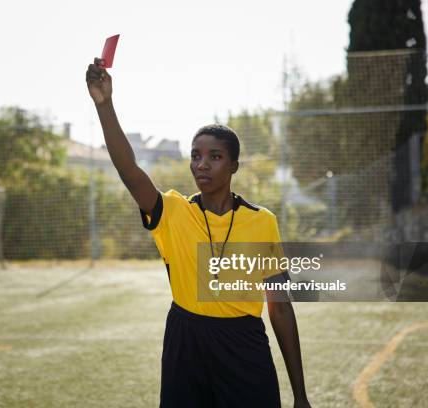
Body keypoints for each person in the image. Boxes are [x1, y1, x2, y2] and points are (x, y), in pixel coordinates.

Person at [86, 57, 311, 408]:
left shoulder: (262, 221)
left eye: (215, 156)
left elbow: (279, 309)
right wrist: (104, 105)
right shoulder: (173, 211)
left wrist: (300, 394)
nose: (201, 164)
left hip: (243, 344)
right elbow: (129, 170)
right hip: (185, 340)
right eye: (195, 155)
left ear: (233, 165)